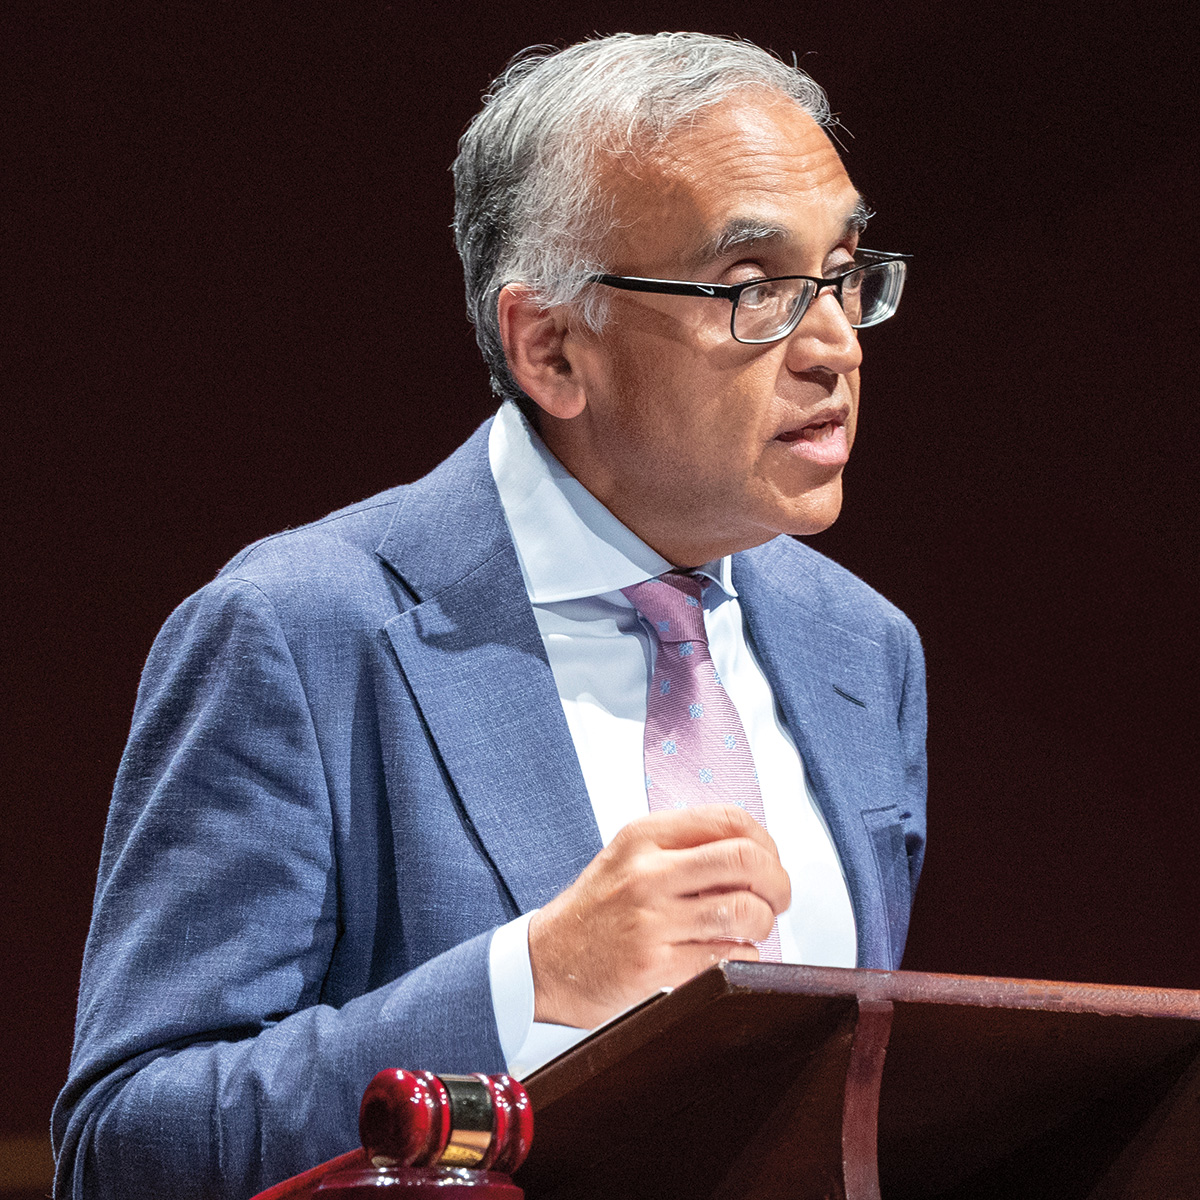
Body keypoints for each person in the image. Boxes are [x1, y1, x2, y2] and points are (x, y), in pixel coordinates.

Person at [53, 32, 926, 1200]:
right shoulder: (299, 633)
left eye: (845, 270)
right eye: (755, 289)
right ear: (553, 349)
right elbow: (125, 1148)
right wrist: (529, 983)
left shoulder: (864, 650)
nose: (830, 346)